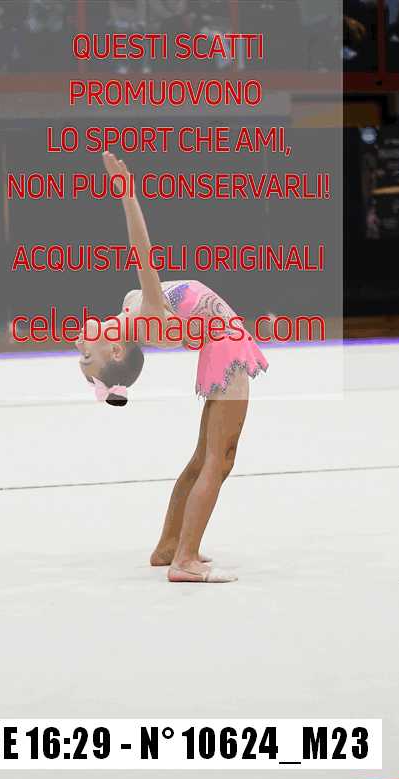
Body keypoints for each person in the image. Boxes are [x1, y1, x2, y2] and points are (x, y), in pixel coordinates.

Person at [77, 153, 269, 583]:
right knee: (219, 459)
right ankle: (185, 560)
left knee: (205, 458)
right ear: (117, 351)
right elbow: (142, 251)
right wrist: (127, 194)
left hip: (221, 345)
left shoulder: (129, 307)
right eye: (88, 357)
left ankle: (169, 546)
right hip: (227, 351)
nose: (81, 347)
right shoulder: (147, 315)